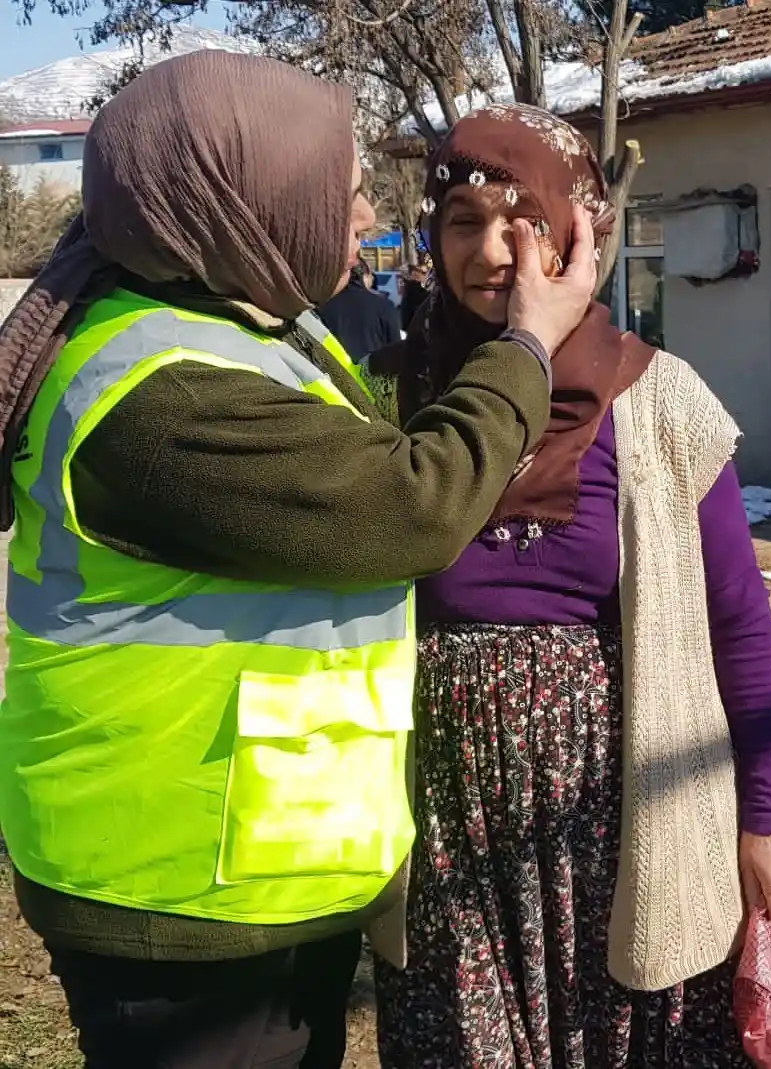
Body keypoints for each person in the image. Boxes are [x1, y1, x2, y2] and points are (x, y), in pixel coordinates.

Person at [0, 60, 597, 1069]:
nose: (363, 210)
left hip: (243, 873)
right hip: (182, 896)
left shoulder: (228, 327)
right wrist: (531, 344)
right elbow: (410, 505)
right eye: (342, 185)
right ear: (244, 199)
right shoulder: (164, 388)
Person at [363, 104, 771, 1069]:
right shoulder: (390, 394)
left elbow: (739, 623)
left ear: (580, 229)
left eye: (523, 221)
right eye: (463, 221)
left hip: (619, 818)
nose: (493, 251)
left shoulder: (658, 400)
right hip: (447, 826)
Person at [317, 258, 401, 362]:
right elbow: (396, 347)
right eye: (371, 277)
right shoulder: (383, 305)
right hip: (373, 372)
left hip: (335, 371)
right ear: (364, 275)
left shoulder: (324, 305)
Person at [399, 261, 430, 332]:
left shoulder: (408, 289)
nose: (426, 275)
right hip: (418, 331)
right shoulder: (415, 291)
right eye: (423, 273)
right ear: (415, 274)